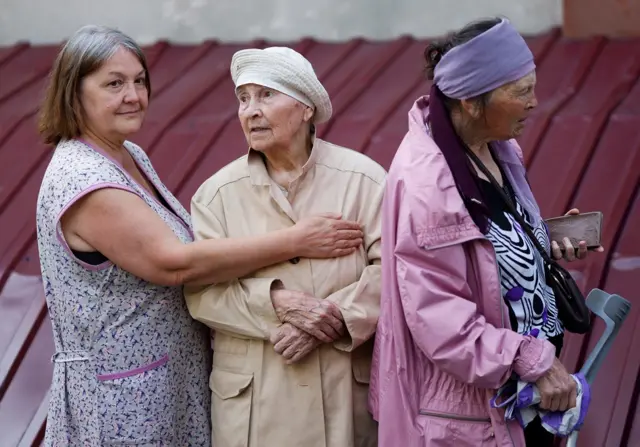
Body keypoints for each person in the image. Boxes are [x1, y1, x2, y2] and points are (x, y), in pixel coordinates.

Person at [35, 25, 364, 446]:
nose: (133, 96)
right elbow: (176, 263)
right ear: (73, 93)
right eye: (114, 84)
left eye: (139, 81)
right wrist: (296, 240)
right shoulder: (83, 177)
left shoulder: (126, 153)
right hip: (120, 401)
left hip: (164, 382)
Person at [368, 17, 603, 447]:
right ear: (472, 102)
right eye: (521, 91)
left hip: (520, 395)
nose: (535, 102)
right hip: (470, 415)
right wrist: (530, 359)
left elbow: (479, 246)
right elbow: (439, 317)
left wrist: (537, 244)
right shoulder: (429, 184)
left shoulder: (495, 147)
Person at [184, 46, 384, 447]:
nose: (251, 111)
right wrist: (276, 302)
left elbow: (396, 272)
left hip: (342, 394)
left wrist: (333, 319)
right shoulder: (216, 195)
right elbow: (202, 291)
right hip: (256, 406)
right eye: (243, 99)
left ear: (307, 107)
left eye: (266, 95)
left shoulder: (365, 180)